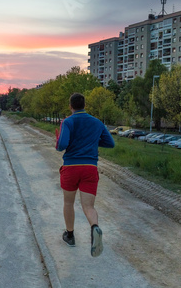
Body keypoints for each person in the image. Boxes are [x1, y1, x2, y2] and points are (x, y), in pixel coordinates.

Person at [55, 93, 115, 257]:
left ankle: (70, 235)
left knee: (69, 202)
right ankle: (95, 227)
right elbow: (110, 143)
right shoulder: (97, 122)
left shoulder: (68, 122)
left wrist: (58, 141)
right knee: (89, 206)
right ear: (84, 105)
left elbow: (62, 145)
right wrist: (92, 142)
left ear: (71, 106)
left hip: (71, 167)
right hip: (90, 167)